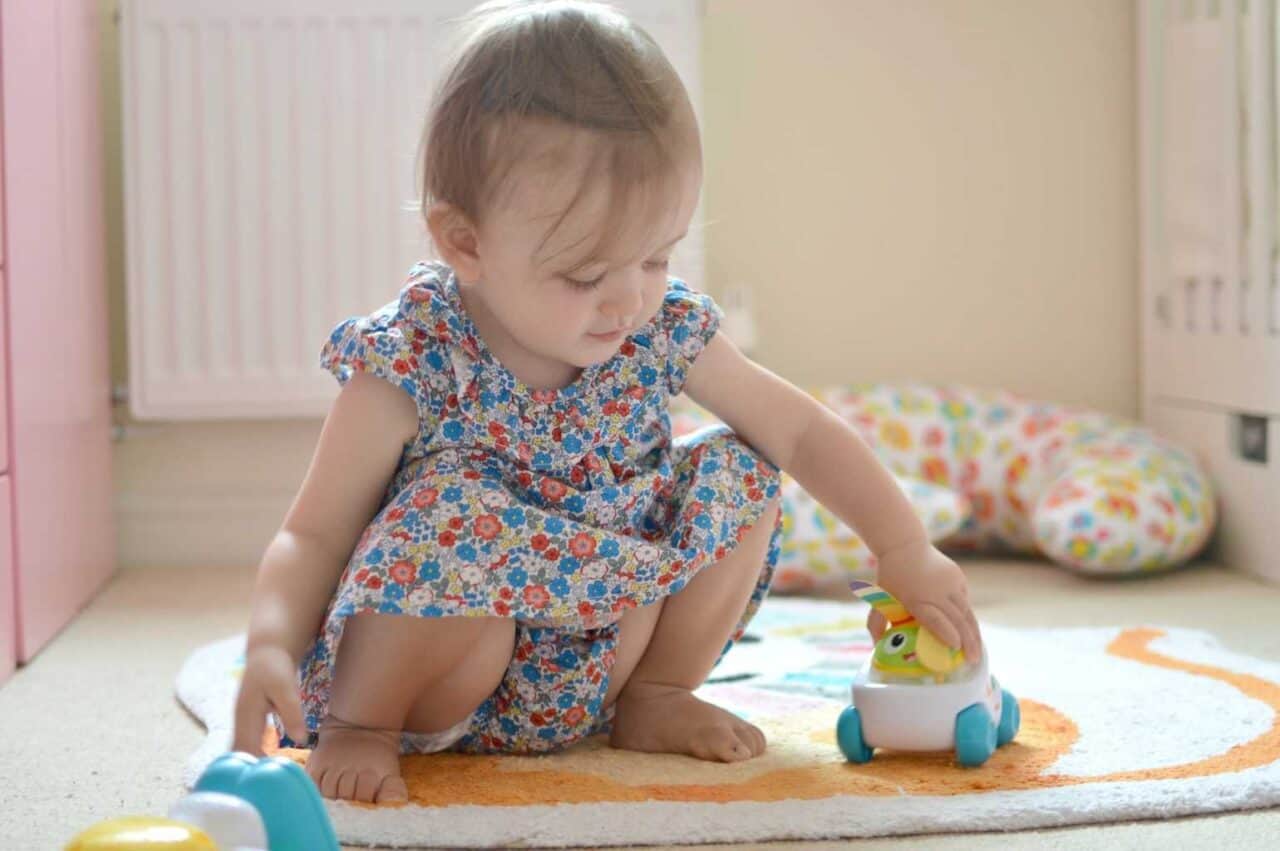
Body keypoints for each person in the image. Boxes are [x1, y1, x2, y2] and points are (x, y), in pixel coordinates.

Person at [230, 0, 982, 805]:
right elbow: (313, 533)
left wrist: (901, 546)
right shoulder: (416, 353)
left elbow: (798, 430)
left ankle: (654, 697)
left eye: (657, 256)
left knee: (741, 467)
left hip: (605, 646)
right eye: (588, 274)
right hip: (450, 674)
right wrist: (272, 642)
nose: (629, 300)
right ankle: (363, 723)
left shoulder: (659, 328)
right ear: (465, 242)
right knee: (442, 516)